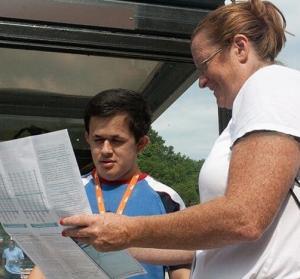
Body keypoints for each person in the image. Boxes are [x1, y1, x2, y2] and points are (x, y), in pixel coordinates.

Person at [59, 0, 300, 278]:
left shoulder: (268, 84)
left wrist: (128, 229)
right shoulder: (242, 117)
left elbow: (244, 217)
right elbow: (206, 248)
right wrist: (107, 240)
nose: (201, 81)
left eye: (204, 64)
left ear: (240, 47)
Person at [29, 89, 193, 279]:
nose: (105, 150)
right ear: (87, 138)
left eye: (116, 141)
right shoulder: (69, 192)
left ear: (141, 143)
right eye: (98, 140)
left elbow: (181, 271)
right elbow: (45, 265)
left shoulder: (166, 199)